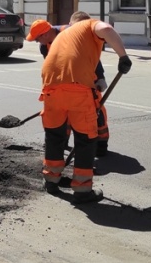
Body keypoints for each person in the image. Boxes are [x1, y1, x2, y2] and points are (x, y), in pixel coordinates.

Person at [39, 12, 131, 204]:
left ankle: (51, 182)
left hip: (50, 90)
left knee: (55, 136)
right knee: (85, 139)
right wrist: (123, 56)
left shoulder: (62, 34)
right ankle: (82, 191)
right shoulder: (88, 25)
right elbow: (106, 29)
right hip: (77, 90)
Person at [27, 13, 111, 157]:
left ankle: (100, 145)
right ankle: (60, 142)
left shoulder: (70, 32)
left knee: (95, 112)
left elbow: (92, 56)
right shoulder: (44, 47)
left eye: (37, 39)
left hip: (86, 78)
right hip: (64, 83)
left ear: (45, 34)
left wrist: (100, 77)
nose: (37, 42)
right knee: (62, 113)